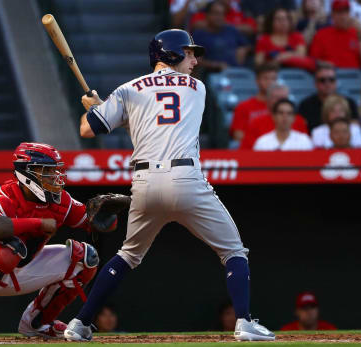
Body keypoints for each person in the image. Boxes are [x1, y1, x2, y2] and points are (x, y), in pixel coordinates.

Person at [63, 29, 275, 342]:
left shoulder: (128, 89)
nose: (195, 59)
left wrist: (97, 107)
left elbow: (88, 129)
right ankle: (244, 321)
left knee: (127, 255)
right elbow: (163, 110)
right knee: (233, 251)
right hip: (185, 179)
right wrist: (106, 106)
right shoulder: (197, 87)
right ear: (171, 54)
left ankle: (79, 324)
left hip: (144, 184)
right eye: (188, 52)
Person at [0, 142, 127, 340]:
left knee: (86, 258)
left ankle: (37, 323)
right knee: (6, 248)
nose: (55, 177)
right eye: (46, 171)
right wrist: (39, 223)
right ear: (27, 172)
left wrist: (108, 215)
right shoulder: (3, 195)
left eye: (55, 171)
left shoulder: (61, 199)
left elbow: (99, 224)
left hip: (16, 266)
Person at [309, 0, 361, 69]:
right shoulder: (321, 34)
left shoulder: (360, 33)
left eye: (346, 12)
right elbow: (313, 61)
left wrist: (360, 37)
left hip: (355, 76)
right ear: (332, 15)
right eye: (339, 12)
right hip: (330, 76)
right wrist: (324, 65)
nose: (343, 16)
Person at [240, 83, 308, 149]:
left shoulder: (299, 121)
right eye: (276, 97)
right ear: (268, 100)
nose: (280, 101)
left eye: (284, 98)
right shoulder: (256, 123)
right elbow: (247, 151)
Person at [298, 63, 359, 132]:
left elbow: (354, 129)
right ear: (315, 83)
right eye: (322, 80)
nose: (327, 83)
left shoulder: (349, 103)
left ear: (336, 82)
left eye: (331, 79)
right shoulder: (305, 105)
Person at [192, 1, 250, 71]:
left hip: (235, 71)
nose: (220, 17)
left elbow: (247, 46)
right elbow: (196, 60)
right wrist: (216, 65)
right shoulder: (199, 35)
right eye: (216, 13)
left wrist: (243, 50)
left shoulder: (231, 30)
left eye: (222, 14)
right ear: (207, 15)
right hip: (212, 73)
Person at [229, 62, 279, 143]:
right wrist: (261, 144)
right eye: (266, 78)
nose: (270, 82)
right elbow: (237, 135)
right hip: (253, 150)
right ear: (257, 80)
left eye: (273, 79)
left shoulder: (282, 107)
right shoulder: (244, 107)